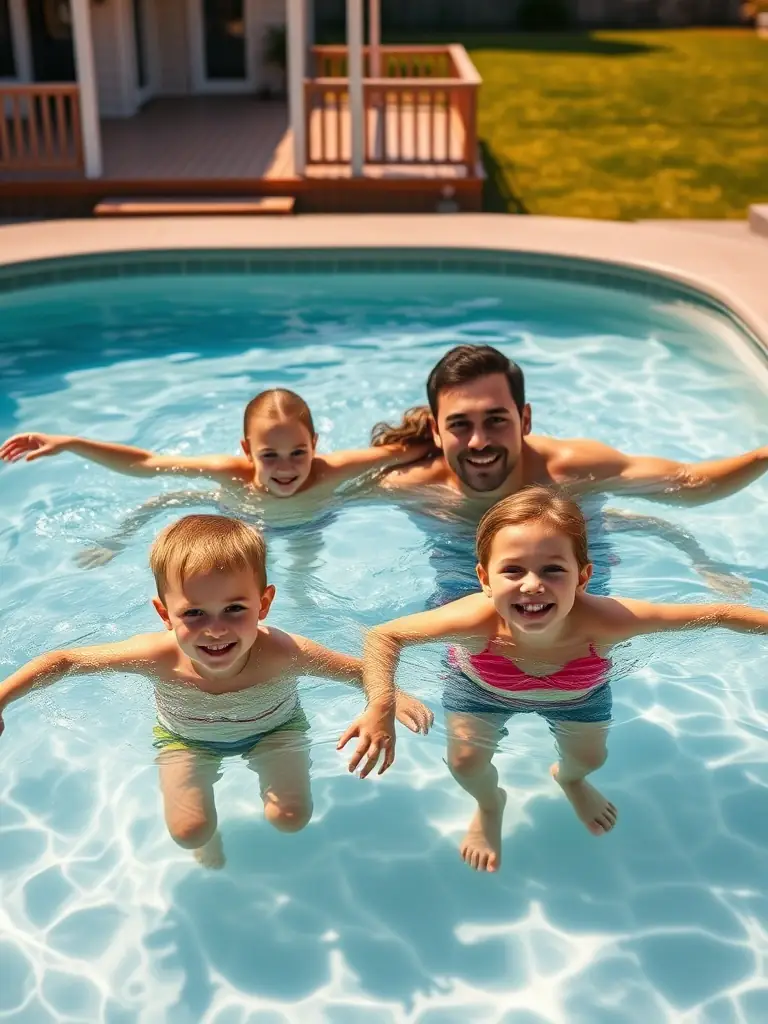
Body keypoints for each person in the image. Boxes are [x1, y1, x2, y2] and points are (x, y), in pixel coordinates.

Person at [362, 487, 768, 874]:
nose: (533, 584)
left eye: (554, 570)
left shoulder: (609, 621)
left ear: (583, 577)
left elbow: (717, 614)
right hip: (480, 688)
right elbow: (383, 636)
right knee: (465, 764)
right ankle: (489, 803)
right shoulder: (473, 620)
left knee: (591, 759)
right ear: (485, 579)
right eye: (513, 570)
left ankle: (570, 778)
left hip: (579, 694)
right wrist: (382, 705)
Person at [0, 515, 433, 868]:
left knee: (291, 818)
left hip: (275, 730)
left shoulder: (283, 652)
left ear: (263, 604)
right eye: (194, 613)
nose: (216, 629)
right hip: (185, 739)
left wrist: (389, 699)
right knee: (190, 832)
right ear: (164, 614)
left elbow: (360, 671)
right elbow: (64, 662)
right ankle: (210, 848)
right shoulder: (156, 656)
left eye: (235, 609)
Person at [373, 344, 767, 509]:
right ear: (437, 431)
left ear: (525, 420)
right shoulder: (412, 485)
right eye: (460, 425)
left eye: (496, 420)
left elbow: (694, 484)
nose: (479, 442)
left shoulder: (572, 471)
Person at [0, 387, 428, 513]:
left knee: (301, 572)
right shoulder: (231, 473)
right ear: (246, 450)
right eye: (269, 455)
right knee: (169, 498)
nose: (286, 467)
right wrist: (72, 443)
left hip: (309, 525)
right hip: (241, 514)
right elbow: (148, 464)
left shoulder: (329, 469)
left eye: (298, 452)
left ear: (314, 445)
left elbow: (403, 450)